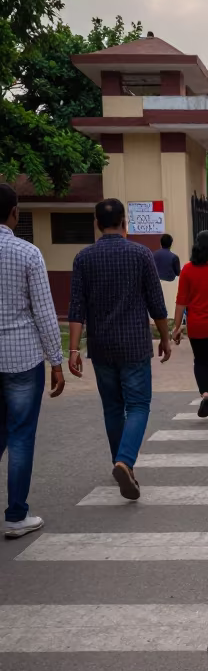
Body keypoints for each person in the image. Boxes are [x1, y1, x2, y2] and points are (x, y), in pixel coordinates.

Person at [67, 197, 172, 501]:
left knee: (113, 407)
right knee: (138, 405)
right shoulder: (141, 254)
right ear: (125, 222)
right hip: (134, 344)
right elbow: (156, 303)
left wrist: (73, 350)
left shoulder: (83, 258)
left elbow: (76, 308)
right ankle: (125, 461)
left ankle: (123, 465)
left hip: (101, 346)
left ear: (97, 225)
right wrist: (165, 338)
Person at [0, 182, 65, 538]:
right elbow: (43, 310)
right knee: (20, 435)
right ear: (15, 212)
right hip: (21, 357)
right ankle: (15, 515)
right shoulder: (27, 253)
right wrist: (56, 360)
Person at [172, 230, 208, 426]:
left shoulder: (188, 270)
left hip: (197, 326)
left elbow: (181, 301)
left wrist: (176, 326)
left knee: (200, 362)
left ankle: (205, 393)